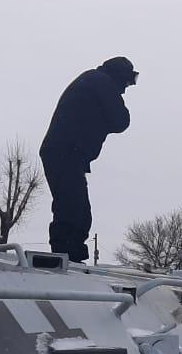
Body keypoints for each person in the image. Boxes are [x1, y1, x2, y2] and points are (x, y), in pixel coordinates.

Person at [39, 56, 137, 261]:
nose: (125, 89)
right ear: (120, 77)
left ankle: (70, 253)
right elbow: (121, 120)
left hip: (68, 153)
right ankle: (64, 254)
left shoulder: (94, 80)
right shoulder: (102, 82)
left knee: (80, 210)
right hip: (65, 151)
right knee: (71, 205)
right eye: (127, 83)